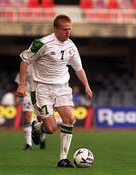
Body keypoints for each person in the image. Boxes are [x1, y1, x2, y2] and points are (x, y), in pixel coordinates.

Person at [16, 14, 92, 168]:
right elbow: (25, 61)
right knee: (50, 129)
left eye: (70, 29)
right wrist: (22, 84)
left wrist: (86, 85)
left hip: (62, 87)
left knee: (70, 119)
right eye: (64, 29)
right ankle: (37, 127)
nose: (68, 32)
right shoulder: (42, 43)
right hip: (41, 88)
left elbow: (78, 68)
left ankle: (63, 159)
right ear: (55, 29)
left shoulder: (71, 46)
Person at [15, 66, 46, 150]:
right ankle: (28, 144)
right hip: (28, 95)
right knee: (27, 116)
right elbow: (20, 82)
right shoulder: (25, 65)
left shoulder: (43, 63)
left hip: (40, 95)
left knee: (42, 118)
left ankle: (42, 137)